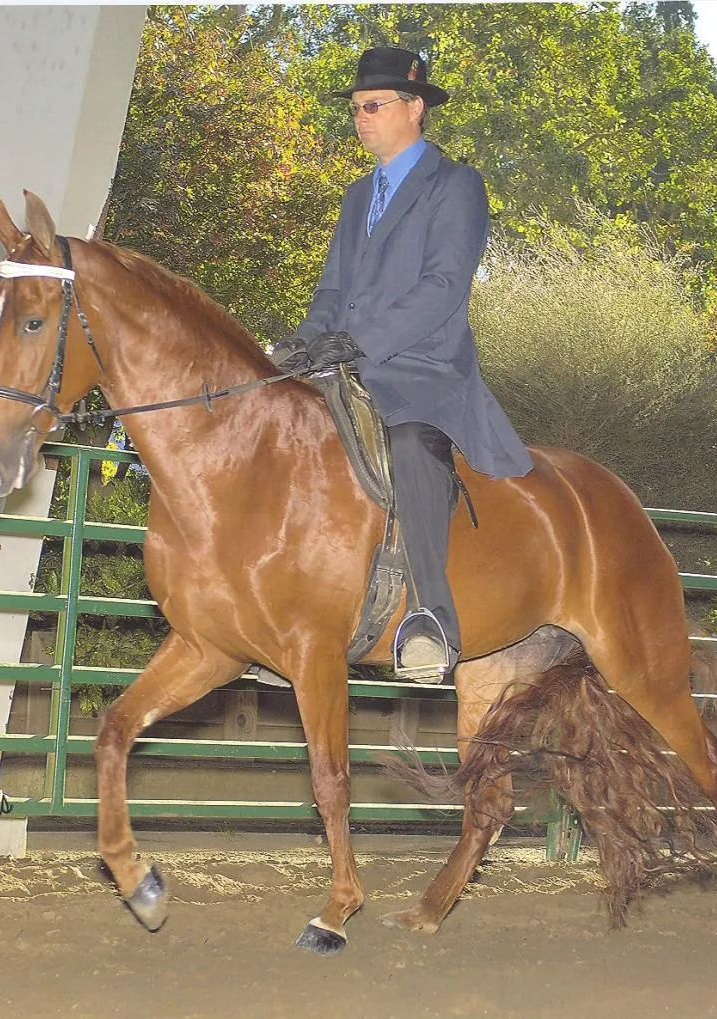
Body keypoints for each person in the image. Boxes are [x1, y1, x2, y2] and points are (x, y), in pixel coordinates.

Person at [276, 46, 533, 684]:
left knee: (414, 446)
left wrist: (357, 341)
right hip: (350, 363)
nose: (360, 118)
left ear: (414, 109)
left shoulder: (456, 186)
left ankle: (430, 621)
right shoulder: (359, 193)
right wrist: (299, 347)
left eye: (373, 106)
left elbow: (444, 286)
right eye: (357, 108)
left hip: (424, 371)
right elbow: (332, 294)